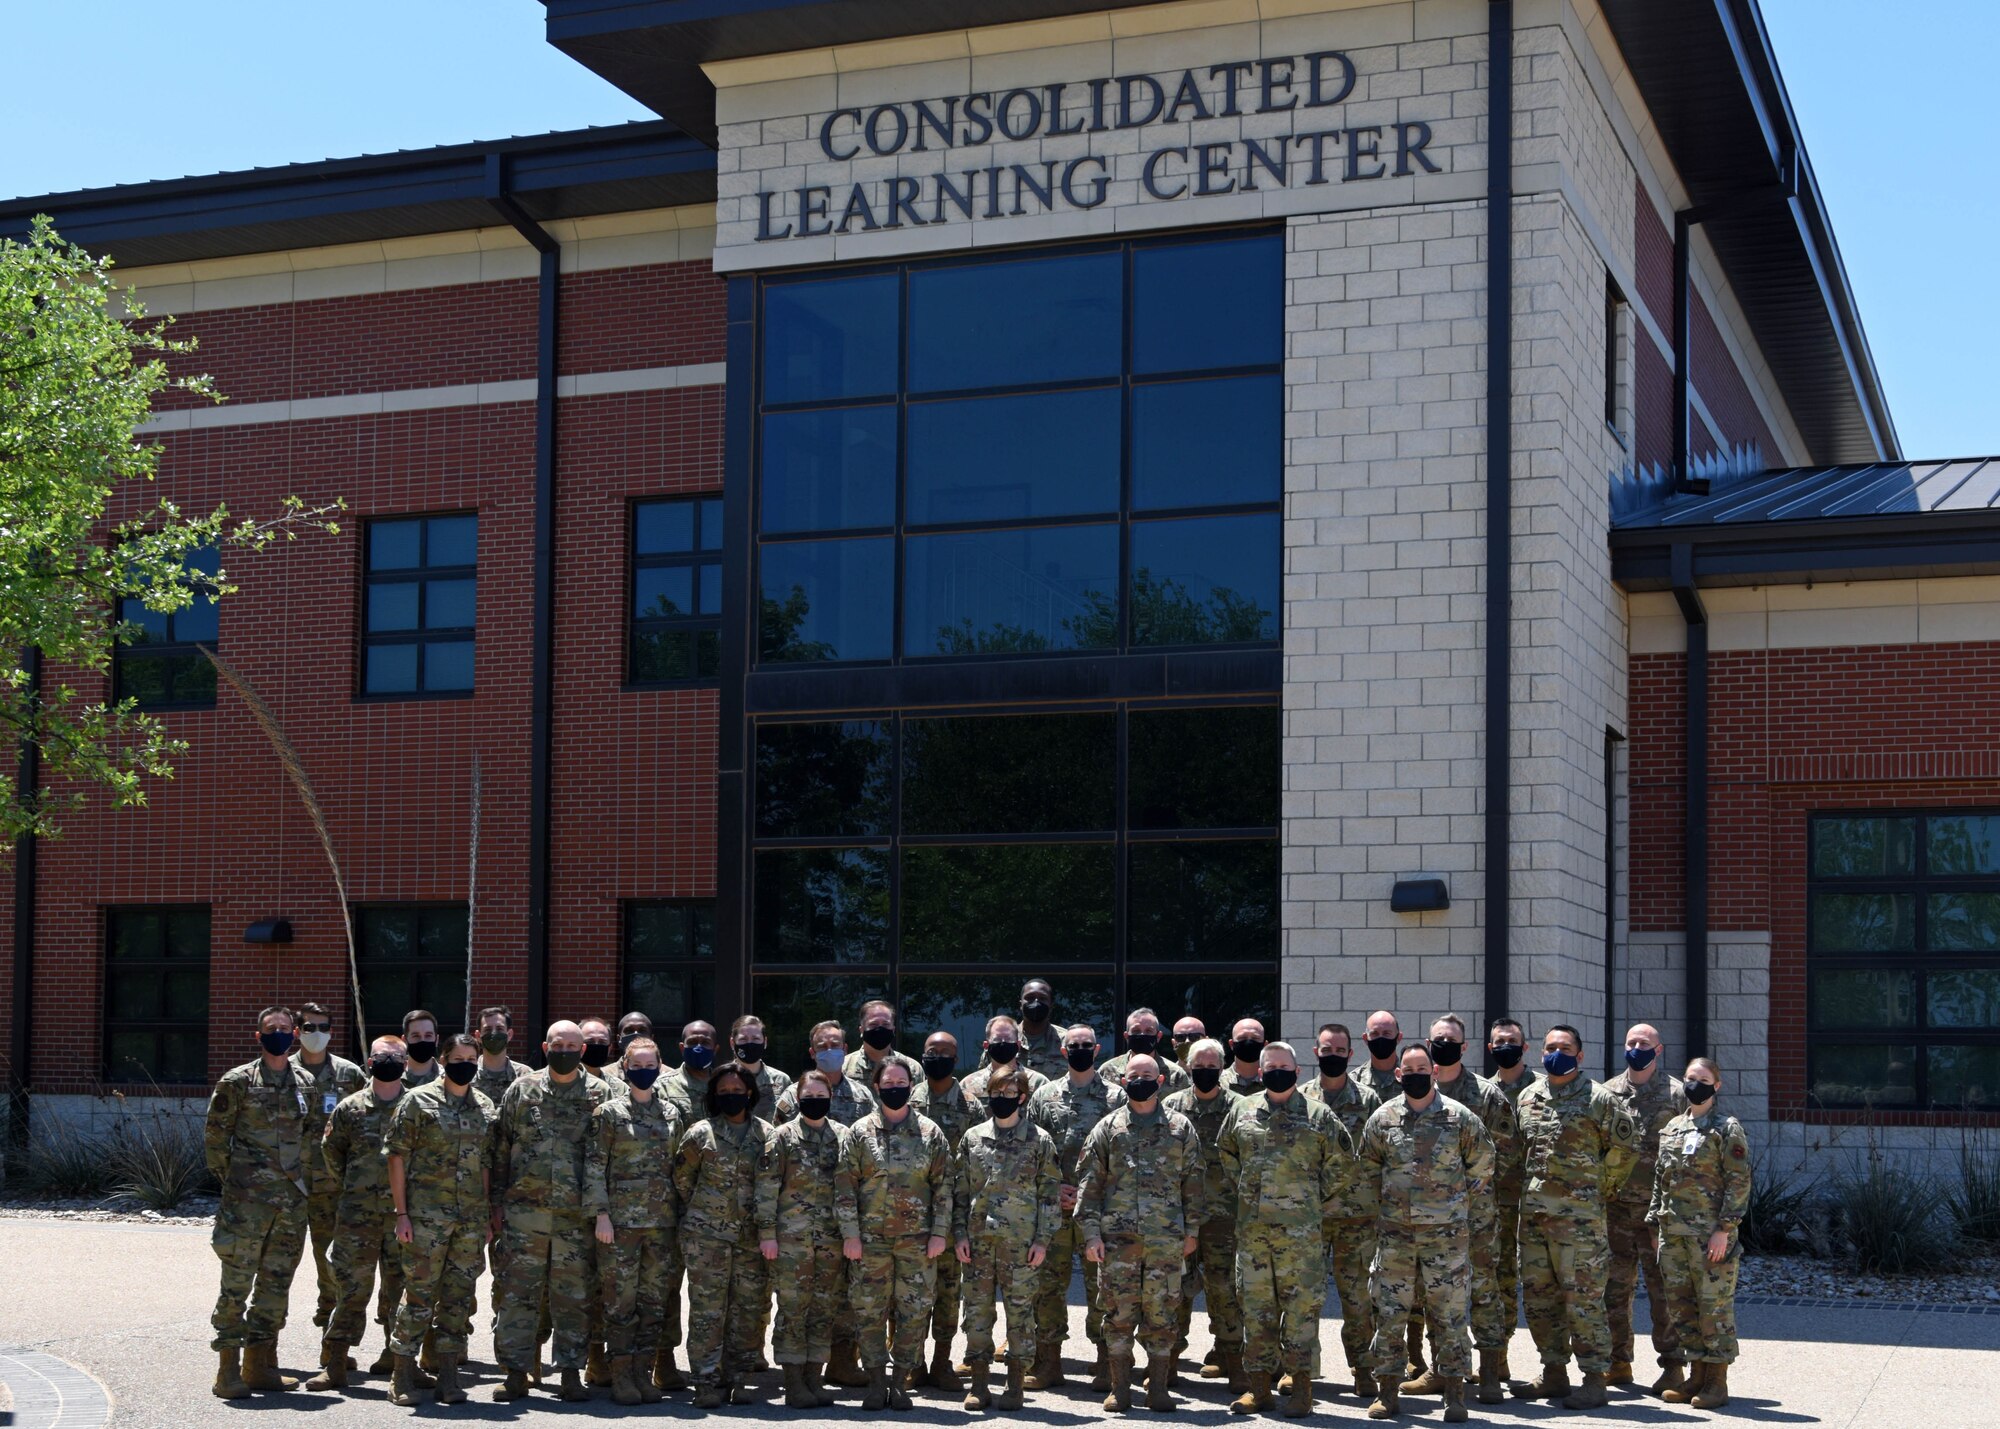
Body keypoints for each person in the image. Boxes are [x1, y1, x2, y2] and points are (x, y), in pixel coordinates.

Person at [1360, 1044, 1495, 1424]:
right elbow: (1368, 1170)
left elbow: (1482, 1166)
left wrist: (1456, 1209)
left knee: (1450, 1316)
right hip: (1396, 1238)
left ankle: (1455, 1394)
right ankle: (1387, 1393)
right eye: (1409, 1069)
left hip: (1446, 1238)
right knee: (1389, 1314)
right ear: (1399, 1075)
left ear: (1434, 1071)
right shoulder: (1382, 1119)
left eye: (1423, 1067)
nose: (1416, 1074)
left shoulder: (1459, 1118)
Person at [1512, 1024, 1639, 1410]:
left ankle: (1595, 1378)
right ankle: (1553, 1372)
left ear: (1580, 1056)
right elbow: (1523, 1150)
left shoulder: (1598, 1099)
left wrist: (1601, 1186)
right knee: (1539, 1299)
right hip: (1534, 1218)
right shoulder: (1528, 1096)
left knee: (1582, 1301)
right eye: (1550, 1047)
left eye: (1565, 1047)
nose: (1556, 1053)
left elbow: (1625, 1146)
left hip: (1580, 1222)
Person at [1217, 1040, 1344, 1418]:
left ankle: (1301, 1388)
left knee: (1301, 1311)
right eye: (1268, 1066)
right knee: (1256, 1311)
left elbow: (1341, 1164)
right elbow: (1226, 1152)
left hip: (1300, 1236)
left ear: (1296, 1070)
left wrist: (1310, 1199)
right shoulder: (1242, 1110)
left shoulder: (1319, 1116)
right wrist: (1249, 1189)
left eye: (1282, 1066)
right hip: (1253, 1233)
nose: (1275, 1071)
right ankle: (1259, 1389)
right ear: (1260, 1071)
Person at [489, 1019, 610, 1402]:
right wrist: (495, 1205)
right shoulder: (521, 1090)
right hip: (524, 1215)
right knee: (517, 1295)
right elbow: (500, 1149)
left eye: (573, 1046)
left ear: (583, 1051)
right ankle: (515, 1371)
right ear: (545, 1048)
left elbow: (605, 1156)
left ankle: (571, 1372)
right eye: (559, 1045)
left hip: (576, 1217)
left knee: (573, 1297)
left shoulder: (599, 1093)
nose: (565, 1052)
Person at [1078, 1053, 1204, 1413]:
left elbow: (1193, 1183)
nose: (1141, 1080)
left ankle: (1158, 1388)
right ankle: (1120, 1388)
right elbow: (1091, 1186)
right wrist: (1091, 1235)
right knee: (1118, 1315)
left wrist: (1191, 1231)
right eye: (1134, 1075)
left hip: (1166, 1242)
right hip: (1118, 1244)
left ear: (1161, 1081)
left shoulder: (1181, 1128)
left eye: (1148, 1075)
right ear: (1122, 1080)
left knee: (1163, 1315)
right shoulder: (1107, 1128)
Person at [205, 1005, 314, 1400]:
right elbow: (216, 1140)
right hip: (246, 1205)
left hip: (290, 1204)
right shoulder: (238, 1081)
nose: (279, 1034)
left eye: (286, 1029)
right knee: (236, 1285)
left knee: (276, 1285)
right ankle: (227, 1372)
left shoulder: (305, 1082)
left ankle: (259, 1366)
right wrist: (237, 1185)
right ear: (259, 1036)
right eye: (272, 1029)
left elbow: (312, 1138)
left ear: (295, 1034)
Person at [383, 1034, 496, 1406]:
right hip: (426, 1217)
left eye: (471, 1057)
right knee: (419, 1295)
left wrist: (484, 1216)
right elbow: (396, 1157)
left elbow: (484, 1164)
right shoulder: (417, 1101)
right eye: (457, 1057)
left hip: (468, 1219)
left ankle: (448, 1375)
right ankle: (401, 1373)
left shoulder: (484, 1105)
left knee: (458, 1297)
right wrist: (401, 1214)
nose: (465, 1063)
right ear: (443, 1059)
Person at [836, 1058, 953, 1410]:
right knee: (869, 1312)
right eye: (888, 1081)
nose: (895, 1087)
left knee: (914, 1312)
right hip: (870, 1241)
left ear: (911, 1086)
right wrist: (850, 1235)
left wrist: (939, 1233)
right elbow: (844, 1187)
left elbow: (945, 1187)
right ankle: (875, 1381)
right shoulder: (858, 1133)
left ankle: (901, 1381)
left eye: (902, 1081)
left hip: (917, 1241)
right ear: (877, 1086)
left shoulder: (931, 1133)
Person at [1417, 1014, 1518, 1405]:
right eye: (1438, 1038)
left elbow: (1505, 1154)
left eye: (1451, 1039)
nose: (1444, 1044)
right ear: (1428, 1043)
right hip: (1428, 1216)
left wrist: (1465, 1186)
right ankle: (1441, 1370)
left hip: (1475, 1214)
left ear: (1464, 1046)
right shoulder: (1420, 1091)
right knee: (1434, 1292)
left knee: (1483, 1290)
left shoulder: (1486, 1094)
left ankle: (1491, 1370)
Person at [775, 1019, 878, 1387]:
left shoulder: (864, 1097)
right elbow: (776, 1168)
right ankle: (794, 1375)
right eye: (823, 1044)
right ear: (812, 1051)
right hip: (796, 1226)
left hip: (841, 1225)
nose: (831, 1050)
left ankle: (839, 1363)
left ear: (847, 1048)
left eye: (837, 1043)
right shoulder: (790, 1099)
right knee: (795, 1301)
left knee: (838, 1300)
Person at [953, 1063, 1059, 1413]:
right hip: (979, 1243)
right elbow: (961, 1191)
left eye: (1008, 1094)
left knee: (1020, 1316)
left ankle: (1015, 1385)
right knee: (978, 1315)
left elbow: (1050, 1195)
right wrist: (959, 1235)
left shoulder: (1039, 1140)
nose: (1001, 1099)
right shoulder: (973, 1138)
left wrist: (1042, 1241)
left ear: (1022, 1097)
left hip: (1022, 1246)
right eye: (995, 1094)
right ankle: (980, 1384)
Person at [306, 1033, 409, 1393]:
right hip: (357, 1215)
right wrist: (355, 1186)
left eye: (396, 1056)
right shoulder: (349, 1107)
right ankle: (335, 1363)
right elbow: (331, 1153)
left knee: (401, 1291)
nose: (388, 1061)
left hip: (402, 1216)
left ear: (406, 1062)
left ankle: (400, 1364)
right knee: (351, 1289)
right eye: (382, 1056)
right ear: (369, 1063)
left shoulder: (417, 1107)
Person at [585, 1036, 684, 1406]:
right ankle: (621, 1374)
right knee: (619, 1302)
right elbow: (595, 1166)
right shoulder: (609, 1113)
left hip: (662, 1224)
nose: (643, 1072)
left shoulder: (672, 1113)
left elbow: (681, 1169)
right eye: (636, 1066)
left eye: (650, 1065)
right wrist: (601, 1215)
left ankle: (644, 1372)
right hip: (620, 1226)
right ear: (624, 1068)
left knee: (654, 1300)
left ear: (660, 1067)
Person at [1646, 1058, 1748, 1410]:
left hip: (1710, 1236)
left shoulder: (1726, 1128)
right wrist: (1656, 1226)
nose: (1695, 1085)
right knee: (1682, 1307)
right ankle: (1697, 1375)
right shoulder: (1673, 1127)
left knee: (1713, 1307)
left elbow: (1739, 1181)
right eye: (1690, 1078)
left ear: (1716, 1086)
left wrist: (1725, 1229)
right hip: (1674, 1234)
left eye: (1703, 1080)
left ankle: (1717, 1382)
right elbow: (1661, 1181)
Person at [1024, 1021, 1121, 1391]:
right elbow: (1032, 1150)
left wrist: (1088, 1192)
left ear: (1097, 1051)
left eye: (1087, 1044)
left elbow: (1123, 1154)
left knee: (1103, 1285)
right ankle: (1048, 1362)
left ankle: (1105, 1362)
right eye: (1073, 1044)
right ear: (1063, 1052)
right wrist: (1053, 1187)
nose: (1080, 1049)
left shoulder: (1116, 1097)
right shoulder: (1043, 1097)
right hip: (1054, 1208)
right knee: (1048, 1285)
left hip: (1098, 1210)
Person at [674, 1062, 775, 1407]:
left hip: (751, 1238)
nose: (732, 1096)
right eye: (724, 1092)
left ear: (750, 1093)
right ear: (715, 1095)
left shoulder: (767, 1134)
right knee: (708, 1311)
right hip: (708, 1239)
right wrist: (707, 1214)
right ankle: (705, 1380)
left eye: (738, 1091)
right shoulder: (700, 1133)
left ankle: (739, 1378)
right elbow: (683, 1181)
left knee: (747, 1310)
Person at [1604, 1021, 1690, 1390]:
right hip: (1616, 1209)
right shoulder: (1607, 1093)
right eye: (1631, 1041)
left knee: (1662, 1292)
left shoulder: (1678, 1095)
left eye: (1644, 1042)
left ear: (1658, 1050)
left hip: (1658, 1214)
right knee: (1614, 1290)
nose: (1636, 1047)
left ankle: (1672, 1366)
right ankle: (1618, 1362)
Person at [758, 1067, 850, 1408]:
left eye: (821, 1097)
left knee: (824, 1308)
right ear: (797, 1100)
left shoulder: (843, 1136)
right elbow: (766, 1189)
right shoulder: (781, 1137)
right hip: (791, 1240)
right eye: (808, 1097)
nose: (815, 1102)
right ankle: (793, 1380)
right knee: (793, 1309)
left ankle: (815, 1375)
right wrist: (767, 1235)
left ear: (830, 1098)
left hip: (831, 1240)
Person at [1302, 1021, 1382, 1397]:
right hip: (1311, 1218)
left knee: (1358, 1300)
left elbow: (1385, 1155)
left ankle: (1364, 1369)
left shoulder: (1368, 1101)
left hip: (1357, 1218)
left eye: (1339, 1051)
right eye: (1326, 1050)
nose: (1332, 1056)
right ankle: (1301, 1369)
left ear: (1351, 1055)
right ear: (1315, 1052)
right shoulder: (1301, 1098)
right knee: (1304, 1296)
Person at [1164, 1036, 1247, 1389]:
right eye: (1199, 1068)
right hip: (1179, 1216)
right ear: (1188, 1068)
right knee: (1175, 1287)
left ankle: (1232, 1358)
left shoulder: (1240, 1107)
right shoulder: (1170, 1107)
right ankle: (1167, 1360)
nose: (1206, 1073)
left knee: (1224, 1288)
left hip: (1224, 1216)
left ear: (1222, 1068)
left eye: (1213, 1068)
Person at [909, 1030, 985, 1392]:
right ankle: (912, 1363)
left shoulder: (972, 1106)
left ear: (956, 1059)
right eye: (930, 1051)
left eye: (944, 1052)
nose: (936, 1057)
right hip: (909, 1213)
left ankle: (942, 1362)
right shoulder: (908, 1100)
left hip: (955, 1215)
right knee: (909, 1292)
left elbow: (980, 1163)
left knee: (948, 1292)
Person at [290, 1000, 365, 1337]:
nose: (316, 1034)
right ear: (297, 1032)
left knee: (331, 1262)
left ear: (331, 1032)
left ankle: (330, 1335)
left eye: (322, 1028)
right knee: (276, 1266)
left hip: (332, 1187)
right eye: (309, 1028)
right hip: (288, 1187)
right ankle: (263, 1346)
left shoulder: (350, 1074)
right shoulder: (281, 1071)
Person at [1484, 1016, 1533, 1375]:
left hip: (1535, 1204)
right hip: (1495, 1202)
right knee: (1499, 1276)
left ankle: (1556, 1366)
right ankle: (1497, 1356)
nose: (1505, 1046)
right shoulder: (1484, 1093)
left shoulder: (1543, 1090)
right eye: (1499, 1041)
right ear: (1490, 1048)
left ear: (1524, 1046)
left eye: (1512, 1040)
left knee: (1539, 1281)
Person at [775, 1019, 878, 1126]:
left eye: (834, 1045)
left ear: (845, 1049)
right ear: (812, 1053)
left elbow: (873, 1134)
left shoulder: (863, 1095)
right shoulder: (794, 1095)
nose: (829, 1051)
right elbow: (779, 1136)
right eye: (822, 1047)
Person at [1098, 1007, 1192, 1097]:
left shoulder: (1176, 1075)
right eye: (1136, 1031)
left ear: (1158, 1036)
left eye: (1148, 1031)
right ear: (1126, 1037)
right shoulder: (1107, 1071)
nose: (1142, 1035)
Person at [961, 1014, 1048, 1102]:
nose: (1003, 1043)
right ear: (986, 1045)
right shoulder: (968, 1086)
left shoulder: (1039, 1083)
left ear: (1018, 1045)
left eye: (1008, 1039)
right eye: (997, 1039)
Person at [846, 998, 925, 1086]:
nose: (880, 1029)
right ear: (861, 1030)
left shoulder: (913, 1068)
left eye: (885, 1024)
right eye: (873, 1024)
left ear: (893, 1030)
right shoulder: (844, 1067)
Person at [731, 1014, 793, 1115]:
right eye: (743, 1039)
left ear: (765, 1042)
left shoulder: (782, 1081)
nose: (750, 1044)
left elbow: (790, 1119)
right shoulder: (721, 1080)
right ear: (732, 1043)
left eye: (755, 1039)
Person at [1014, 979, 1070, 1079]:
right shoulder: (1004, 1039)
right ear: (1020, 1004)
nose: (1036, 1002)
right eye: (1030, 998)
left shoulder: (1068, 1041)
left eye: (1042, 998)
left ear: (1051, 1005)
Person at [473, 1005, 527, 1105]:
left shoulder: (526, 1076)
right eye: (488, 1030)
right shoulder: (468, 1073)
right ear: (478, 1036)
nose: (494, 1033)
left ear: (509, 1035)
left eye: (499, 1029)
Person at [1361, 1011, 1402, 1103]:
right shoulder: (1354, 1081)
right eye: (1374, 1034)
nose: (1381, 1038)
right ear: (1365, 1038)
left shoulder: (1411, 1077)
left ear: (1399, 1037)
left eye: (1386, 1033)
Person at [1223, 1019, 1268, 1096]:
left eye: (1255, 1038)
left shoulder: (1273, 1082)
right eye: (1242, 1038)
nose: (1249, 1042)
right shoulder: (1218, 1082)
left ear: (1265, 1045)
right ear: (1231, 1044)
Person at [402, 1010, 441, 1089]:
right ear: (405, 1041)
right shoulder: (390, 1077)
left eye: (428, 1035)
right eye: (416, 1036)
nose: (422, 1041)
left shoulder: (448, 1079)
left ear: (436, 1040)